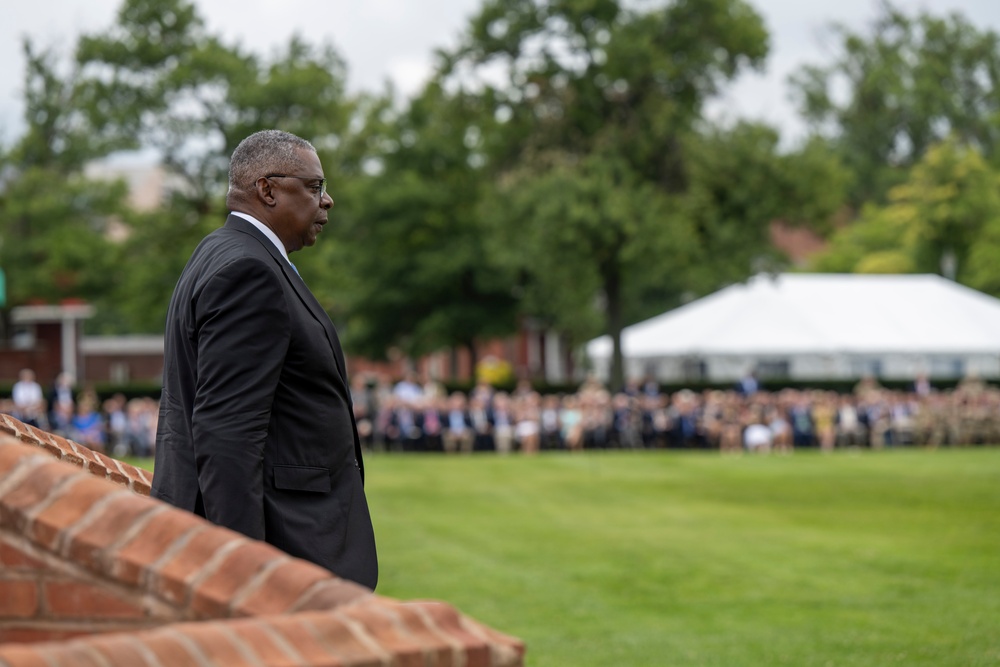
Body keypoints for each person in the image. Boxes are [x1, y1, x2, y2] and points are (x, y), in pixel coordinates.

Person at [150, 130, 377, 589]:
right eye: (314, 187)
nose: (327, 201)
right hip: (288, 550)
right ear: (268, 190)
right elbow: (227, 435)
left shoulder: (222, 252)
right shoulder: (248, 271)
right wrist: (245, 576)